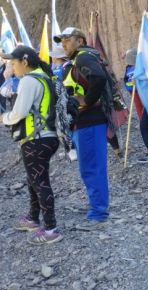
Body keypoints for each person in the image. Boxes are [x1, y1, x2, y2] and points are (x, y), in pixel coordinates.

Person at [0, 46, 62, 244]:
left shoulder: (28, 80)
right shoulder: (44, 76)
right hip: (49, 137)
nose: (11, 66)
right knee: (33, 179)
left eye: (13, 62)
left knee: (40, 182)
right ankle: (33, 218)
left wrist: (5, 118)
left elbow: (20, 112)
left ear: (24, 62)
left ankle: (51, 229)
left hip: (36, 139)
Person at [55, 27, 111, 230]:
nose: (63, 44)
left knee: (91, 167)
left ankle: (98, 211)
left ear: (80, 40)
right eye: (61, 41)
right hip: (86, 122)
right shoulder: (82, 57)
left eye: (67, 40)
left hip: (90, 121)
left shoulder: (83, 57)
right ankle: (97, 206)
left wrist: (86, 101)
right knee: (89, 167)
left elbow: (98, 77)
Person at [123, 48, 144, 118]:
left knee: (145, 104)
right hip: (132, 90)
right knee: (138, 105)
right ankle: (142, 120)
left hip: (141, 88)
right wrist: (128, 86)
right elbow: (126, 79)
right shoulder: (128, 68)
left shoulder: (141, 65)